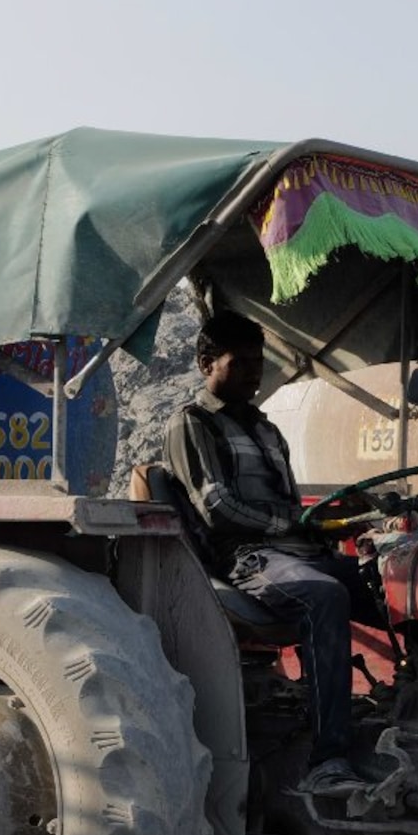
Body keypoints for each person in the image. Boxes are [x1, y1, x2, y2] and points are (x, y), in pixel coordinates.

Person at [163, 309, 370, 764]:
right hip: (249, 557)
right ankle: (332, 755)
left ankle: (412, 709)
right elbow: (218, 508)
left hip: (298, 551)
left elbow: (293, 504)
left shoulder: (267, 429)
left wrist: (343, 517)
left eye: (258, 364)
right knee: (324, 596)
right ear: (207, 365)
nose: (253, 375)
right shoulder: (193, 423)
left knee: (396, 583)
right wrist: (298, 523)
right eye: (240, 364)